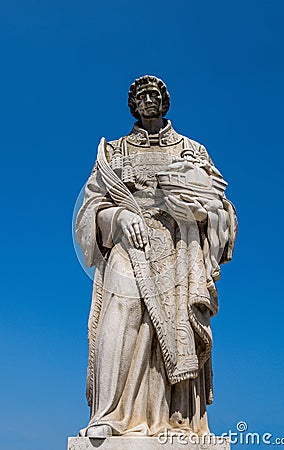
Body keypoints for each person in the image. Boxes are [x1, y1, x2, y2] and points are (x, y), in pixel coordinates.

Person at [76, 75, 237, 438]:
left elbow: (222, 206)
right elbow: (90, 207)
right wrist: (118, 216)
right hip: (127, 243)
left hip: (180, 249)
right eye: (141, 95)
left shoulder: (192, 150)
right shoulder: (114, 153)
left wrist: (198, 210)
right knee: (119, 319)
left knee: (178, 329)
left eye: (155, 94)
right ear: (133, 104)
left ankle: (177, 420)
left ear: (165, 101)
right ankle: (110, 414)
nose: (148, 100)